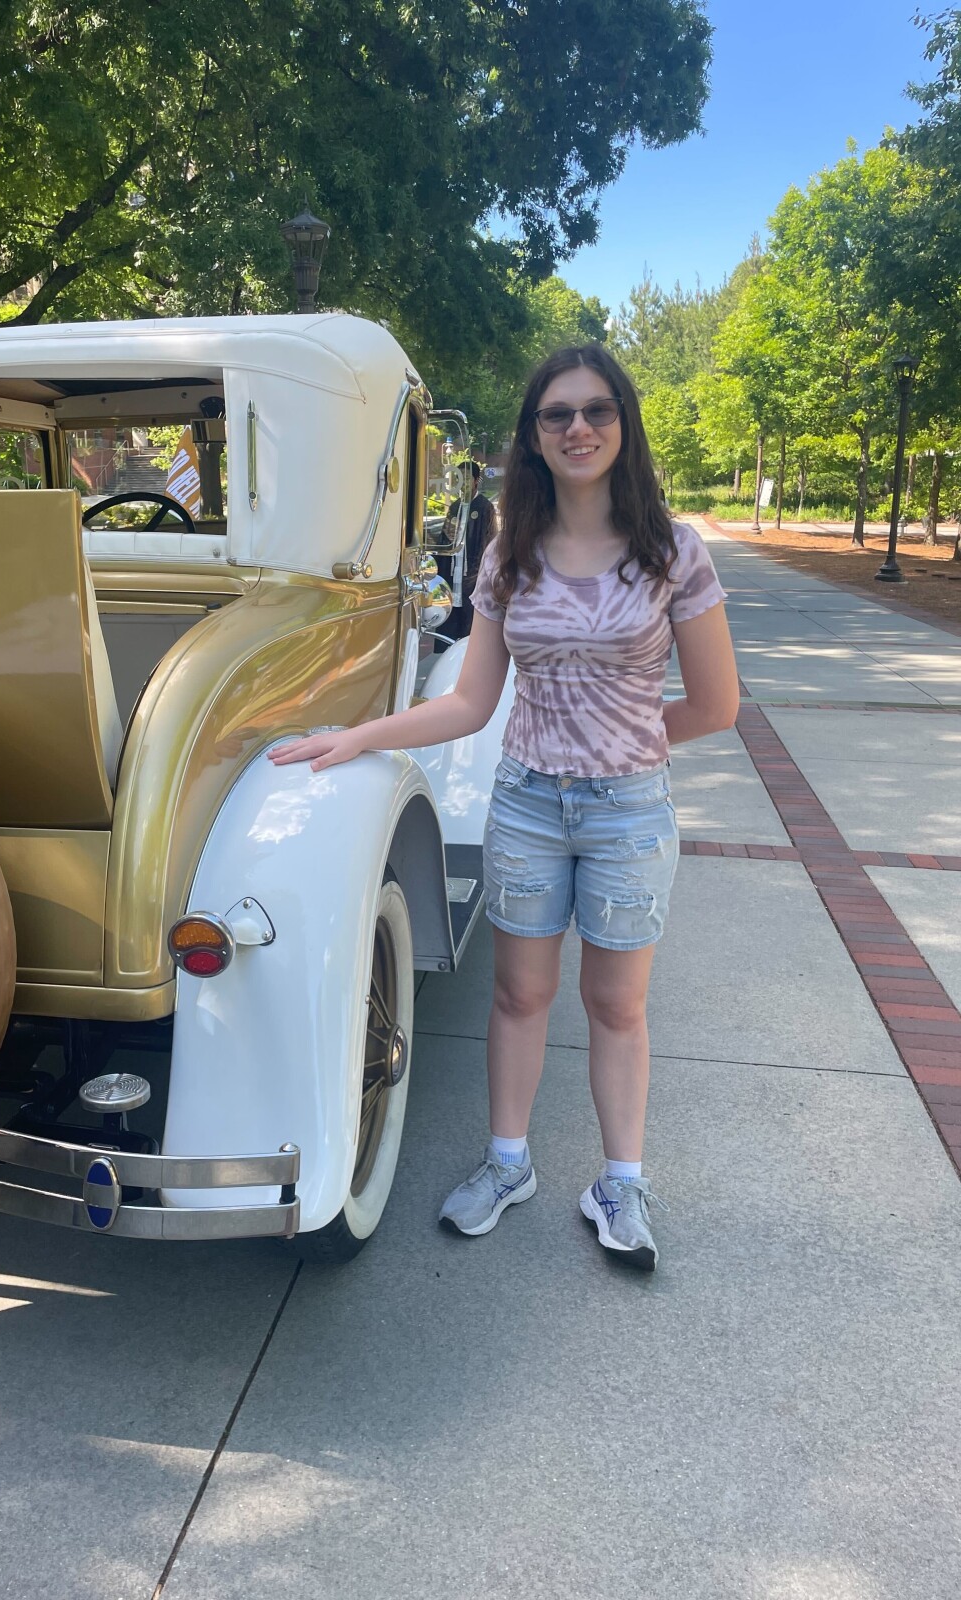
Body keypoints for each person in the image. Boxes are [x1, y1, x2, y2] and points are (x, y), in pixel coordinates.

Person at [269, 344, 738, 1272]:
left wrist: (625, 746)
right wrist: (358, 737)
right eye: (557, 414)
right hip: (527, 805)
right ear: (533, 436)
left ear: (624, 423)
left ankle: (621, 1184)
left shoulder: (670, 551)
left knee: (616, 1004)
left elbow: (717, 705)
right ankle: (508, 1164)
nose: (578, 428)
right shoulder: (510, 556)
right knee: (520, 994)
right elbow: (470, 703)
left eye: (597, 410)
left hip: (627, 811)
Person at [440, 460, 497, 638]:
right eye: (458, 478)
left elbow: (489, 541)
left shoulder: (484, 507)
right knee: (451, 617)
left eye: (466, 478)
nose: (462, 483)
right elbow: (444, 540)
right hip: (453, 571)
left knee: (470, 618)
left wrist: (484, 572)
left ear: (476, 480)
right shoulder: (455, 507)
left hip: (471, 572)